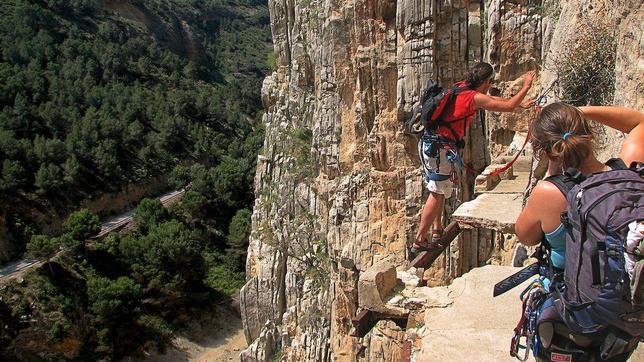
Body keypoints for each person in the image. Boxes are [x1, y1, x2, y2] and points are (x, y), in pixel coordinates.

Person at [410, 62, 536, 256]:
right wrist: (526, 85)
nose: (490, 85)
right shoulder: (473, 97)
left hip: (431, 144)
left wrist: (520, 104)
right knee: (436, 192)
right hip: (439, 149)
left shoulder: (462, 87)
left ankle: (437, 229)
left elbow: (493, 99)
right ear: (485, 81)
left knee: (440, 189)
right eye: (490, 82)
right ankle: (419, 240)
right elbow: (506, 107)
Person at [515, 103, 644, 260]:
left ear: (550, 154)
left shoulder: (547, 193)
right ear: (589, 134)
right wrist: (578, 112)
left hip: (577, 284)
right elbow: (639, 122)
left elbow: (525, 237)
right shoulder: (630, 169)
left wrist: (551, 175)